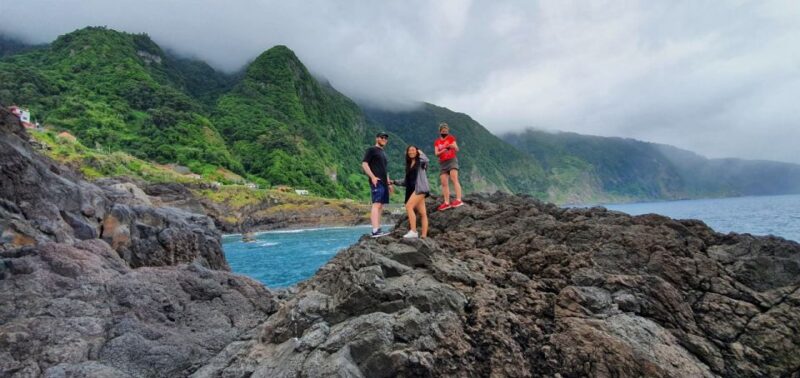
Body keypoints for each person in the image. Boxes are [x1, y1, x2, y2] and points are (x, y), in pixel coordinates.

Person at [391, 145, 430, 238]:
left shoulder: (420, 162)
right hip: (412, 190)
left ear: (417, 152)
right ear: (407, 153)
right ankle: (424, 236)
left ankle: (413, 231)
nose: (411, 152)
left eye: (413, 150)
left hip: (420, 189)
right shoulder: (408, 165)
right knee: (422, 213)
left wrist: (421, 152)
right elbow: (406, 181)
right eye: (409, 150)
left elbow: (426, 160)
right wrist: (394, 182)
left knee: (409, 206)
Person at [362, 132, 394, 237]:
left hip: (384, 182)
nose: (384, 139)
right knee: (376, 204)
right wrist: (372, 177)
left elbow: (385, 170)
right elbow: (364, 164)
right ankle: (375, 230)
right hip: (377, 181)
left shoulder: (383, 153)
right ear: (377, 138)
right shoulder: (371, 150)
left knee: (381, 206)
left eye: (386, 138)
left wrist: (389, 183)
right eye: (382, 137)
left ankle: (378, 228)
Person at [434, 122, 463, 210]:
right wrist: (444, 150)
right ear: (440, 131)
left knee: (454, 179)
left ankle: (459, 199)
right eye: (443, 131)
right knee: (444, 183)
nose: (444, 132)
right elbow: (436, 154)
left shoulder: (451, 138)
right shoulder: (437, 141)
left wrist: (452, 146)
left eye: (446, 131)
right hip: (443, 162)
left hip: (452, 160)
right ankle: (446, 202)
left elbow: (457, 149)